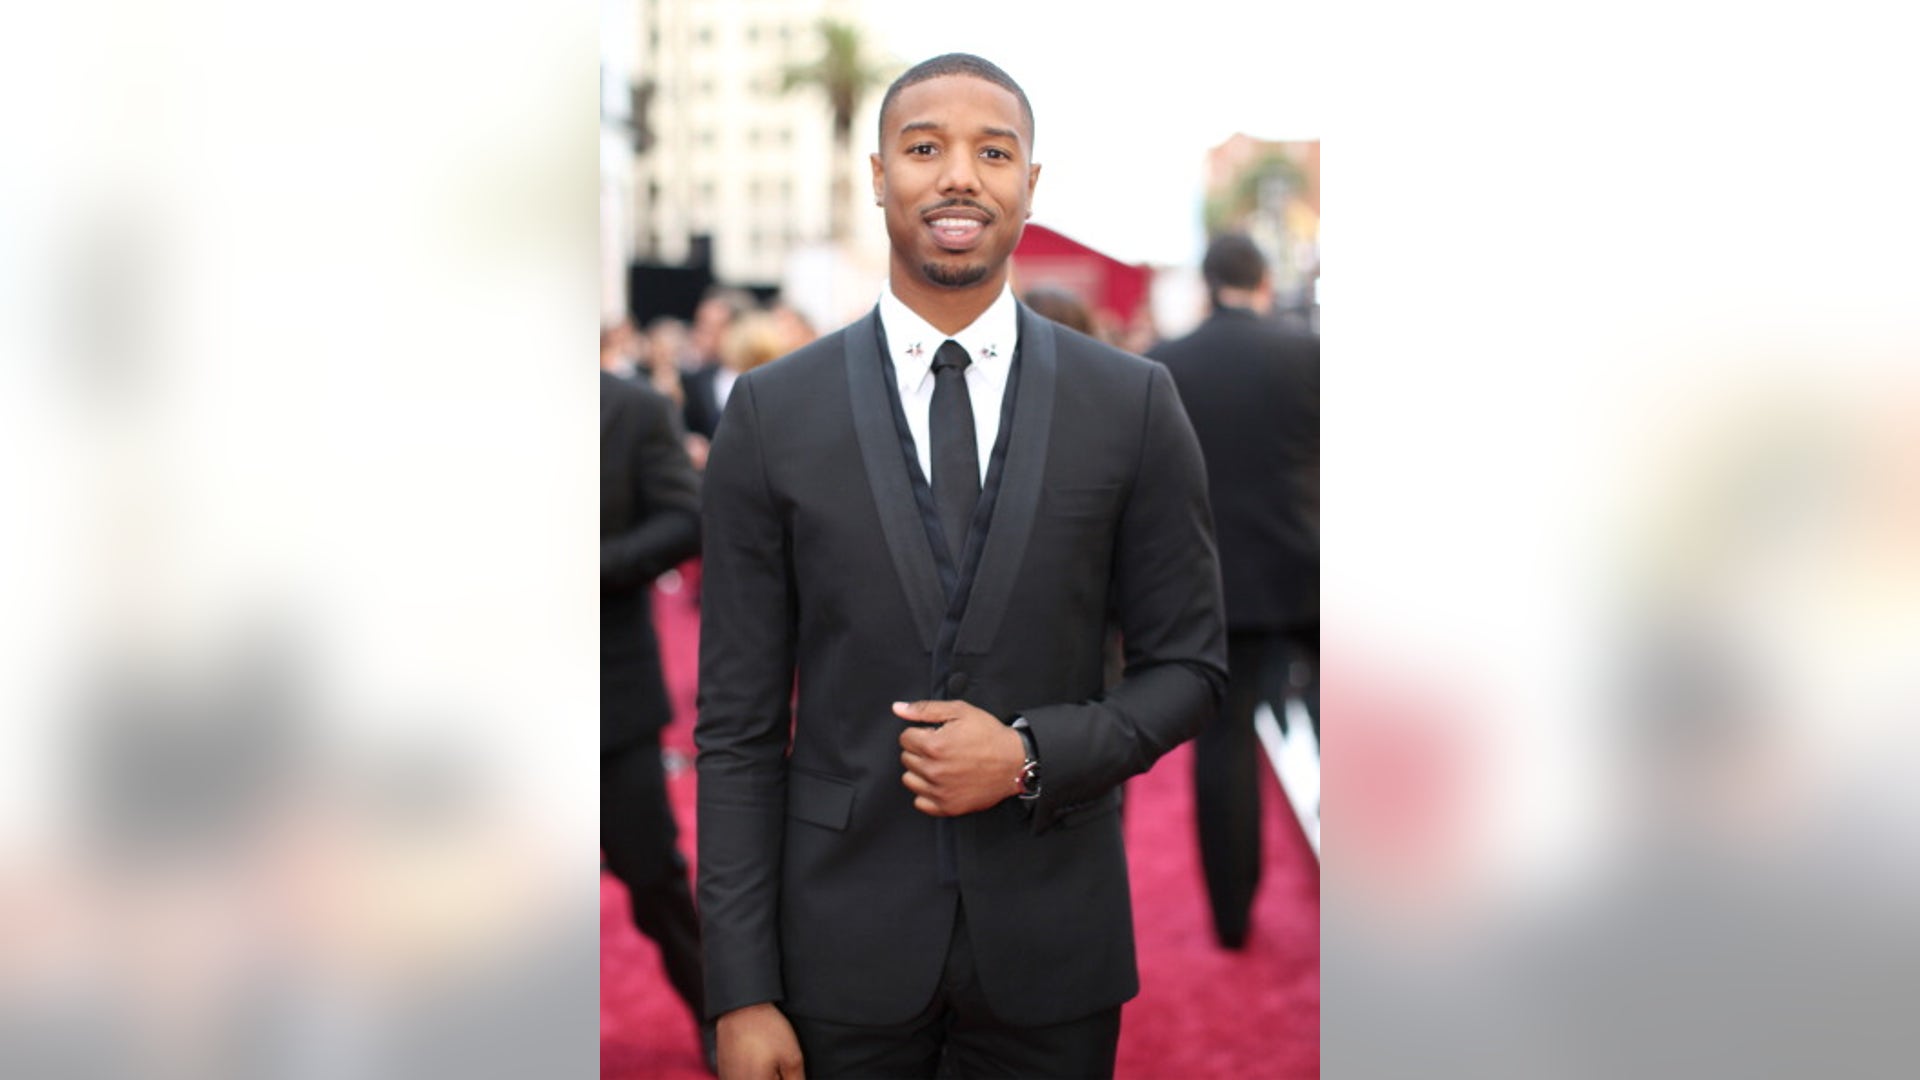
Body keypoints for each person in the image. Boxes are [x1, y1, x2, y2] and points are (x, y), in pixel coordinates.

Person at [695, 53, 1226, 1079]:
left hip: (1052, 958)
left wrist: (1030, 756)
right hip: (832, 960)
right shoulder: (771, 413)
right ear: (878, 174)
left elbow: (1192, 669)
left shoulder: (1134, 404)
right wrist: (741, 986)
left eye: (994, 152)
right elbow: (737, 727)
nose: (958, 177)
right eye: (924, 148)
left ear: (1031, 184)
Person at [1148, 231, 1319, 949]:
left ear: (1207, 282)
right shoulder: (1308, 353)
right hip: (1312, 573)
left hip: (1214, 580)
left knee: (1221, 745)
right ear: (1259, 280)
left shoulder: (1165, 363)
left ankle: (1230, 918)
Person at [600, 364, 714, 1070]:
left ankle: (717, 1018)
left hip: (609, 697)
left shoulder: (632, 408)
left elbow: (687, 517)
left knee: (655, 879)